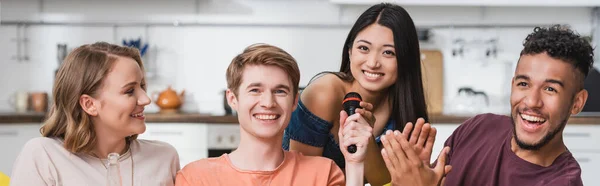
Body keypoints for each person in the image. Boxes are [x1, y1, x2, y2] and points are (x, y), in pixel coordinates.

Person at [381, 25, 592, 186]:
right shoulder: (479, 127)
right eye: (524, 84)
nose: (531, 101)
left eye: (550, 89)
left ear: (577, 103)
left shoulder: (562, 181)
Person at [175, 43, 370, 186]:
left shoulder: (323, 173)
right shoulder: (196, 178)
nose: (268, 103)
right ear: (232, 98)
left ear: (294, 101)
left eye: (280, 91)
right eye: (255, 90)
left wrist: (354, 165)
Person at [282, 2, 432, 185]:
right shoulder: (324, 94)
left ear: (405, 60)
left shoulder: (404, 108)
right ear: (350, 51)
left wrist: (366, 140)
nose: (373, 63)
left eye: (388, 52)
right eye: (364, 48)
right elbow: (305, 178)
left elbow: (385, 182)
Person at [10, 42, 180, 186]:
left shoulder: (164, 157)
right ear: (89, 104)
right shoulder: (44, 156)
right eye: (130, 91)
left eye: (142, 87)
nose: (145, 99)